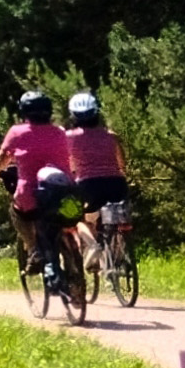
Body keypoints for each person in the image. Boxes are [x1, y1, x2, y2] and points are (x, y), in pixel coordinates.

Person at [0, 90, 75, 289]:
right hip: (64, 194)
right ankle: (74, 267)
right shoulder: (60, 132)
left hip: (31, 196)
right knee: (61, 224)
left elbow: (2, 159)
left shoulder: (17, 132)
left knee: (16, 212)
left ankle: (34, 249)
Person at [64, 90, 133, 264]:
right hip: (116, 184)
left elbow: (67, 164)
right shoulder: (111, 136)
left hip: (88, 186)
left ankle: (93, 245)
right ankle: (117, 255)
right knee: (117, 220)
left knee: (77, 219)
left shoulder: (69, 138)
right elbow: (122, 163)